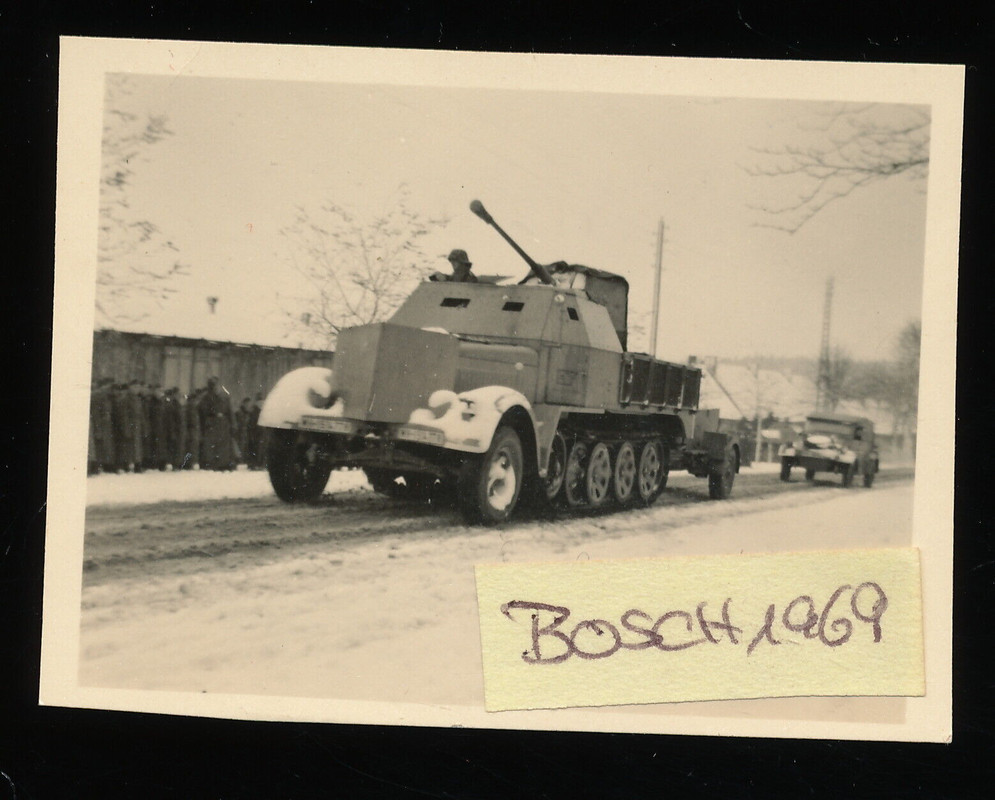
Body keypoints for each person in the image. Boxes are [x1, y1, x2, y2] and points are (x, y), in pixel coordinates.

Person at [199, 377, 235, 471]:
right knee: (211, 445)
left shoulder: (225, 397)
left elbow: (230, 411)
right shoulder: (206, 398)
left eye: (215, 385)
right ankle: (211, 463)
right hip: (211, 423)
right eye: (212, 385)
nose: (214, 387)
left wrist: (233, 424)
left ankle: (223, 464)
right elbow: (202, 411)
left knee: (223, 445)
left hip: (223, 423)